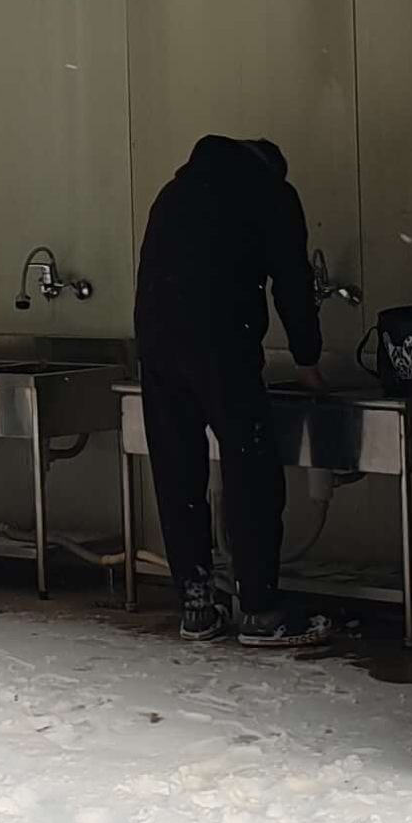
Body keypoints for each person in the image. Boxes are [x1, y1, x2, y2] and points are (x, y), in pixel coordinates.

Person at [134, 135, 324, 646]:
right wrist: (308, 359)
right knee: (250, 468)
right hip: (220, 340)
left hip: (155, 340)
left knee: (178, 470)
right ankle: (260, 608)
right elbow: (291, 281)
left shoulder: (174, 191)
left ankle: (196, 604)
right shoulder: (271, 194)